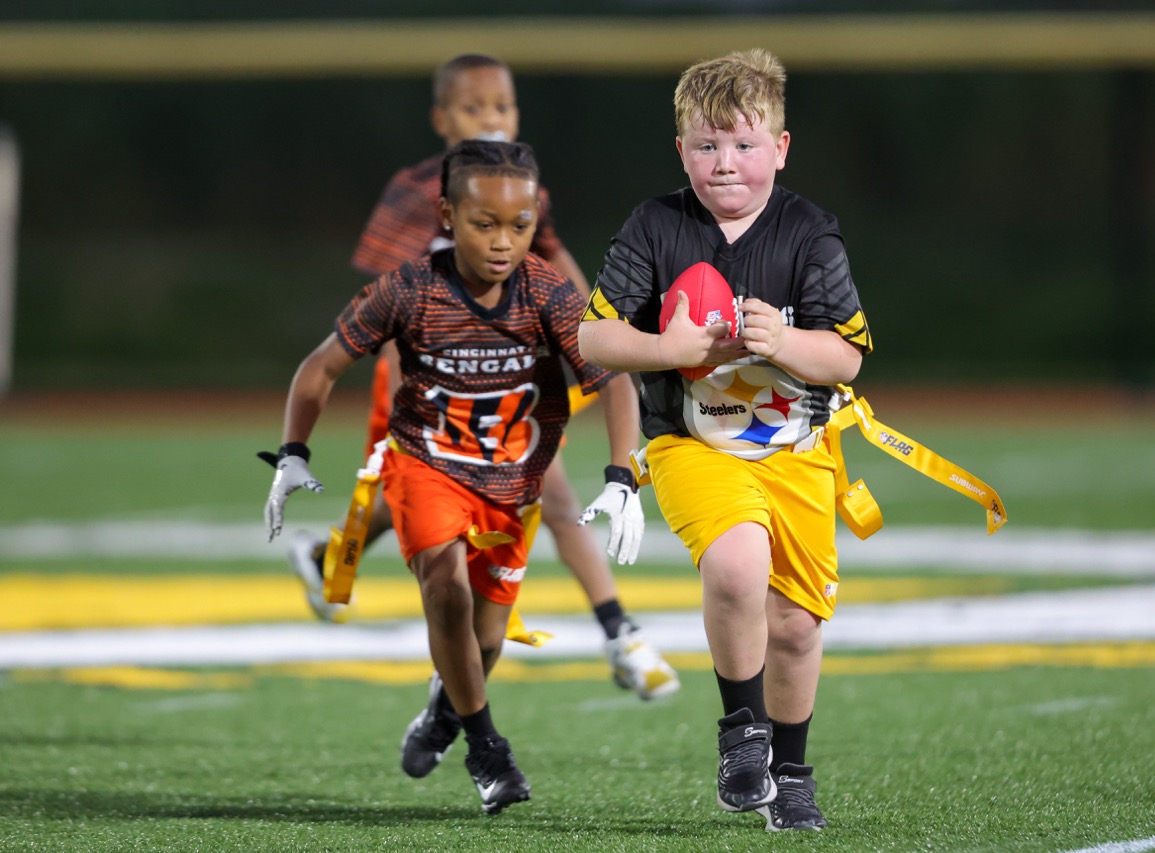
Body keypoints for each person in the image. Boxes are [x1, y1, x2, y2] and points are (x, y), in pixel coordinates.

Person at [262, 140, 648, 815]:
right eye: (484, 223)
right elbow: (321, 366)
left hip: (510, 481)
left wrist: (622, 474)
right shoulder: (409, 288)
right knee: (444, 584)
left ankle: (444, 714)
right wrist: (293, 450)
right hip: (426, 464)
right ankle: (488, 750)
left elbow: (613, 379)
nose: (503, 241)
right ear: (447, 215)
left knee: (488, 639)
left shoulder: (547, 290)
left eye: (520, 225)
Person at [286, 52, 678, 702]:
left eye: (502, 106)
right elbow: (385, 298)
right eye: (473, 108)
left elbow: (552, 256)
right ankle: (613, 636)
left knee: (551, 497)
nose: (490, 119)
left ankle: (620, 633)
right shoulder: (418, 190)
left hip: (509, 374)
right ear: (441, 119)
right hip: (431, 379)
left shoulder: (523, 188)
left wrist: (597, 325)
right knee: (449, 499)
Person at [577, 49, 873, 832]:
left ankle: (791, 772)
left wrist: (785, 341)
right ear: (682, 151)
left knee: (796, 626)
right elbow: (594, 336)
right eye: (707, 145)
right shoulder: (657, 224)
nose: (725, 162)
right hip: (693, 444)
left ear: (781, 147)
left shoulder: (809, 233)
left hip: (797, 449)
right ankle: (743, 733)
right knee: (738, 565)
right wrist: (667, 348)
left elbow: (845, 355)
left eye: (744, 144)